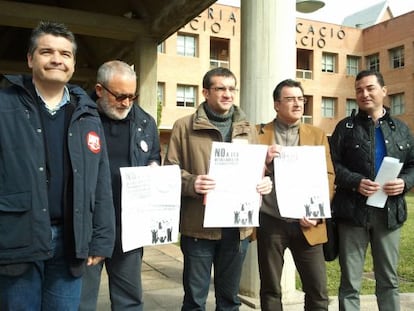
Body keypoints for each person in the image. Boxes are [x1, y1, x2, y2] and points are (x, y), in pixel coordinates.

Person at [0, 21, 115, 310]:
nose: (56, 59)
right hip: (17, 237)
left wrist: (101, 239)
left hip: (71, 239)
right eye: (46, 51)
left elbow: (99, 180)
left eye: (65, 54)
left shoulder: (87, 113)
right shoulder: (4, 106)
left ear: (73, 64)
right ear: (30, 59)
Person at [164, 67, 272, 310]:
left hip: (236, 230)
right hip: (198, 228)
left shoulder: (248, 128)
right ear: (205, 92)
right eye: (220, 88)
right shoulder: (183, 127)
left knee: (229, 300)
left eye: (231, 89)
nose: (228, 94)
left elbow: (258, 170)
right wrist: (192, 183)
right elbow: (169, 171)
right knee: (194, 300)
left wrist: (264, 183)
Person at [329, 69, 414, 310]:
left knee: (388, 279)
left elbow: (412, 164)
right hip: (352, 214)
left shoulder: (401, 128)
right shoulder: (344, 128)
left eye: (370, 88)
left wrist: (405, 182)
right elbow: (332, 165)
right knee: (350, 282)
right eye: (359, 90)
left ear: (384, 91)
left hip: (388, 214)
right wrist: (355, 181)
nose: (364, 94)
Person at [80, 60, 161, 310]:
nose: (126, 103)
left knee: (129, 301)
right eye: (120, 96)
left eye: (132, 96)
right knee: (81, 301)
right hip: (88, 227)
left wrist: (154, 167)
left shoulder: (145, 122)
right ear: (100, 89)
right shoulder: (79, 118)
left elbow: (153, 156)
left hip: (129, 227)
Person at [256, 79, 335, 311]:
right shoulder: (258, 134)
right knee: (270, 289)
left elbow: (328, 175)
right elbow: (248, 174)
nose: (297, 103)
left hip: (308, 223)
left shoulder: (317, 134)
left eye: (301, 99)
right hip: (272, 222)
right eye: (290, 99)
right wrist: (265, 163)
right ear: (277, 104)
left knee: (318, 291)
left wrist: (316, 212)